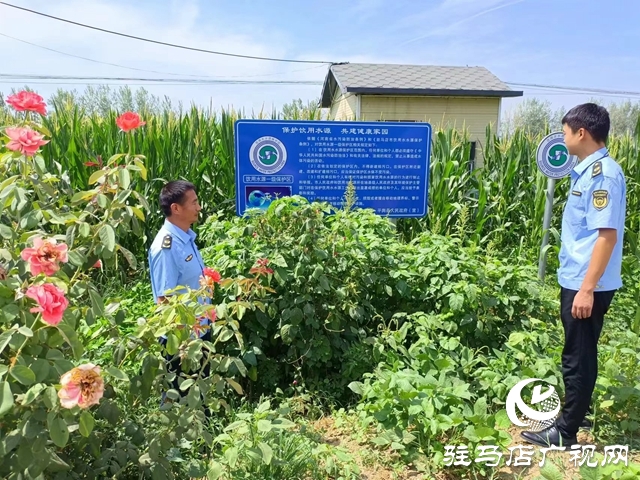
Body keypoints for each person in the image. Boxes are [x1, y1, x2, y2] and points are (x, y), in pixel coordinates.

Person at [521, 103, 627, 447]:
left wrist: (587, 289)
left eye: (565, 131)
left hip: (587, 284)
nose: (563, 137)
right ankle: (569, 420)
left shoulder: (603, 176)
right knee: (577, 353)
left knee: (578, 356)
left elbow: (605, 236)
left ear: (582, 133)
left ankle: (565, 432)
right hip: (579, 279)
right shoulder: (587, 170)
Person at [148, 180, 211, 395]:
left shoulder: (185, 238)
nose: (199, 207)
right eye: (194, 203)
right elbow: (165, 300)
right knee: (181, 400)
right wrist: (182, 344)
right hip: (183, 340)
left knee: (199, 399)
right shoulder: (167, 247)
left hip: (199, 332)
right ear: (175, 208)